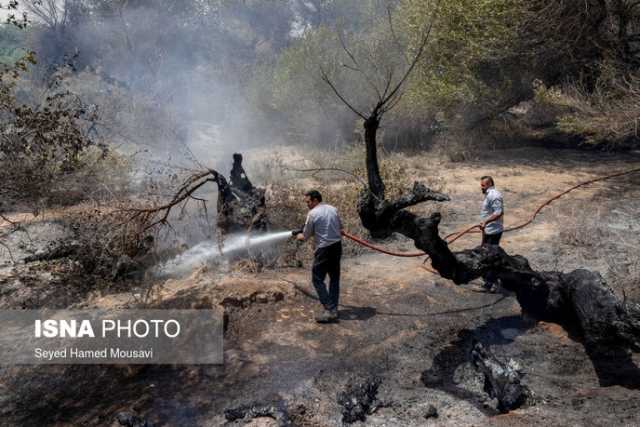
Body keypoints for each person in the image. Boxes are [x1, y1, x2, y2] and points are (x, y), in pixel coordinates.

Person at [295, 190, 343, 323]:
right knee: (334, 278)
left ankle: (330, 309)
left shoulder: (312, 213)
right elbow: (341, 228)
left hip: (324, 250)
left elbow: (305, 236)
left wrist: (298, 235)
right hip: (336, 247)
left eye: (308, 201)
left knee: (317, 279)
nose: (307, 204)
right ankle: (333, 308)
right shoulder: (333, 209)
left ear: (316, 200)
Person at [478, 176, 504, 292]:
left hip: (493, 231)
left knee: (490, 258)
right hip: (489, 230)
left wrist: (486, 221)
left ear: (489, 184)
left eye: (483, 185)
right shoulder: (489, 194)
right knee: (487, 255)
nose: (481, 187)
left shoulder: (494, 195)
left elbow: (499, 212)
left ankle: (491, 284)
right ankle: (490, 281)